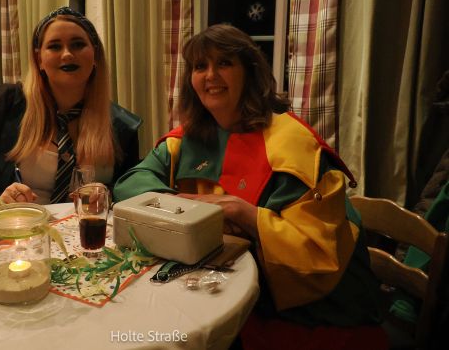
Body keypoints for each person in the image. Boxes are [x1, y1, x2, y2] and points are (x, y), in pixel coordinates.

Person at [114, 24, 387, 350]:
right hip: (224, 283)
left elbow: (317, 252)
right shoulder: (188, 137)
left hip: (312, 308)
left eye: (224, 63)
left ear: (250, 72)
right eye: (200, 66)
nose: (210, 75)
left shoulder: (291, 144)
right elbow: (130, 183)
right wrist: (187, 207)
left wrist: (246, 215)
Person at [0, 7, 141, 232]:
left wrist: (108, 195)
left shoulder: (121, 125)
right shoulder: (6, 104)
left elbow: (131, 193)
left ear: (95, 55)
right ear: (39, 58)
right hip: (14, 238)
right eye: (55, 46)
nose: (67, 54)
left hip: (86, 240)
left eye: (78, 44)